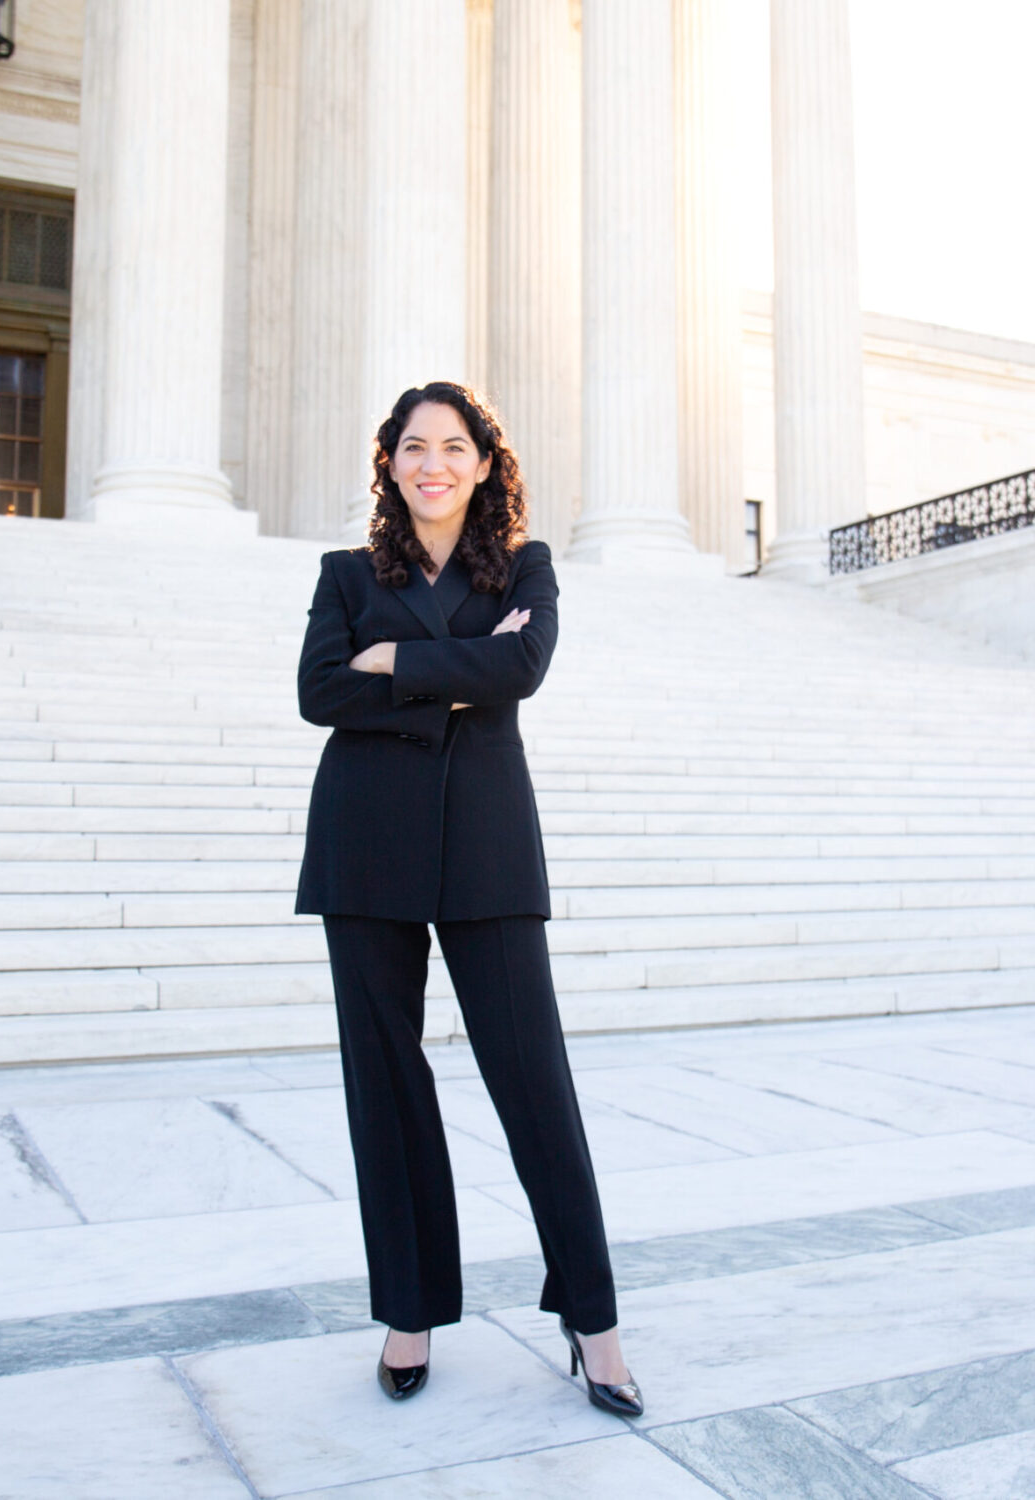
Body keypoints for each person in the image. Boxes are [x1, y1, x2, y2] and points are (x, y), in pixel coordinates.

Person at [294, 381, 642, 1418]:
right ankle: (410, 1314)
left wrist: (396, 659)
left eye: (453, 446)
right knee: (386, 1090)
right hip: (366, 846)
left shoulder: (524, 568)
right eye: (413, 447)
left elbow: (524, 668)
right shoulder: (346, 572)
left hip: (486, 845)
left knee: (535, 1083)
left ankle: (595, 1322)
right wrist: (460, 672)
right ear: (390, 464)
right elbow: (319, 692)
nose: (432, 463)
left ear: (484, 464)